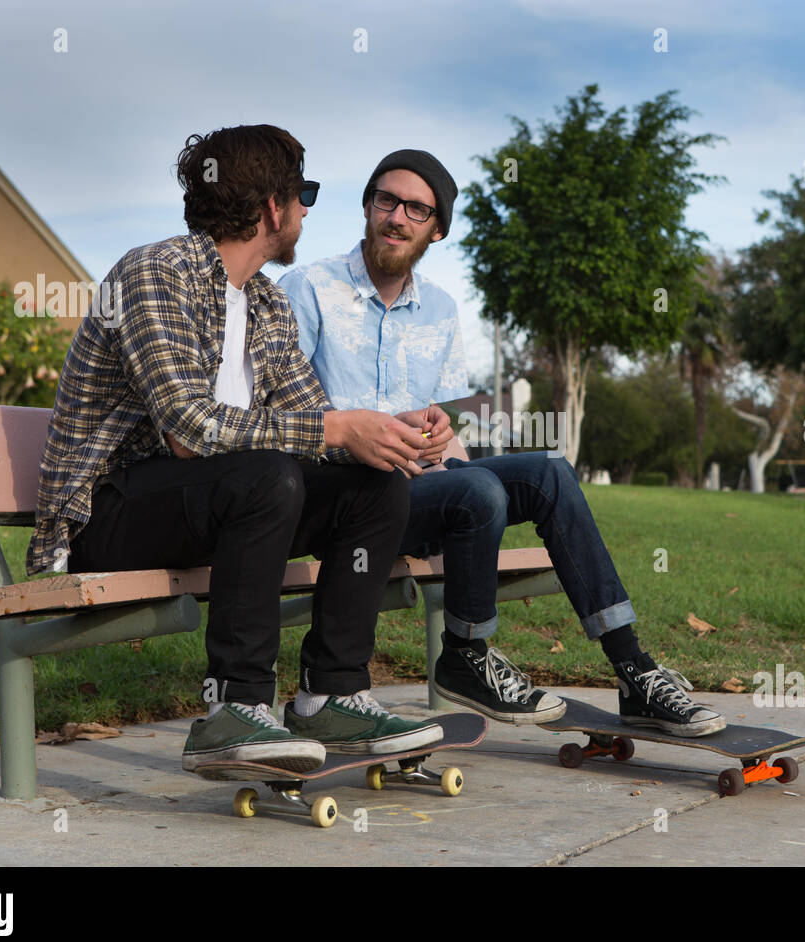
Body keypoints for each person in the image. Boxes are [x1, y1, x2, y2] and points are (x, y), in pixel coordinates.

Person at [26, 126, 443, 778]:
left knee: (373, 486)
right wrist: (335, 429)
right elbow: (187, 430)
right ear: (274, 207)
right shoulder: (155, 272)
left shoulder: (267, 304)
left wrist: (387, 431)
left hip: (222, 507)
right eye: (304, 193)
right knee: (268, 475)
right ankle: (233, 707)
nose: (308, 210)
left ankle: (331, 695)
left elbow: (314, 424)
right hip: (109, 515)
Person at [278, 149, 727, 738]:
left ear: (437, 229)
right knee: (477, 491)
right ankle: (466, 654)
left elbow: (447, 439)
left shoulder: (440, 310)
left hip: (423, 494)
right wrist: (368, 436)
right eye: (387, 200)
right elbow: (282, 417)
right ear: (367, 206)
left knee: (548, 472)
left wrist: (443, 439)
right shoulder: (308, 288)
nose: (397, 217)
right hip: (344, 500)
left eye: (417, 209)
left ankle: (633, 670)